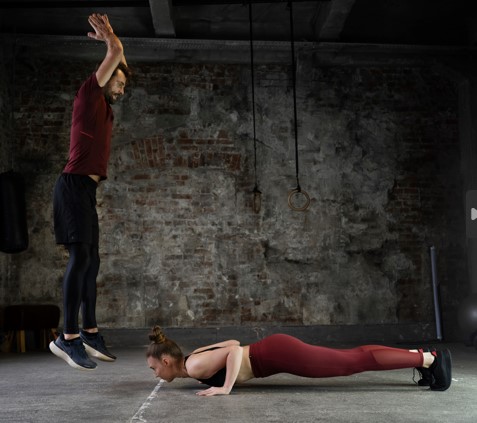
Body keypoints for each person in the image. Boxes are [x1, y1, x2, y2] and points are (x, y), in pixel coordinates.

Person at [49, 13, 131, 371]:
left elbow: (120, 59)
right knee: (80, 258)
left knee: (91, 261)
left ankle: (90, 332)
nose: (122, 89)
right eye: (119, 82)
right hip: (72, 186)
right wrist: (112, 40)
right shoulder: (88, 94)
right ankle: (66, 337)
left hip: (85, 190)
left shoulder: (104, 109)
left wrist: (117, 49)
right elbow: (115, 55)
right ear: (104, 76)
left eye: (124, 85)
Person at [146, 326, 452, 396]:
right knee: (353, 357)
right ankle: (421, 357)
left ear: (167, 360)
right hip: (274, 350)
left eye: (154, 367)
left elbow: (235, 352)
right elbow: (233, 343)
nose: (154, 373)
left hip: (277, 354)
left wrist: (225, 388)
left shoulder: (194, 366)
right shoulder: (193, 357)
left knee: (352, 361)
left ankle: (430, 359)